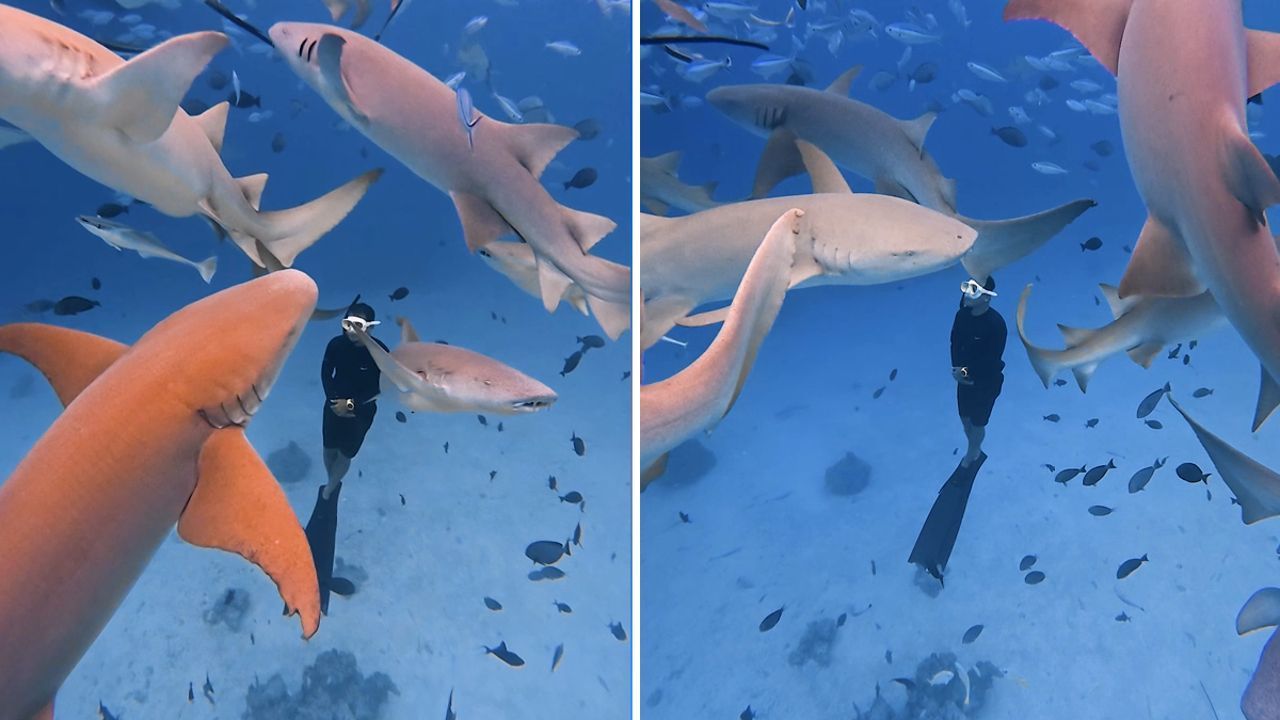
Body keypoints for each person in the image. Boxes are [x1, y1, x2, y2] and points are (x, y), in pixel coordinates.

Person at [909, 276, 1006, 586]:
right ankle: (971, 445)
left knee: (977, 423)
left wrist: (967, 373)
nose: (966, 294)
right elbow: (954, 341)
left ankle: (973, 452)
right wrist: (957, 369)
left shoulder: (996, 325)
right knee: (964, 419)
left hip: (985, 383)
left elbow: (991, 361)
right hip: (964, 380)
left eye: (973, 290)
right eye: (966, 287)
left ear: (987, 297)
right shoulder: (962, 314)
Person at [305, 297, 388, 614]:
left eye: (359, 325)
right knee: (328, 449)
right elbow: (326, 373)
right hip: (333, 406)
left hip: (361, 412)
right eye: (347, 323)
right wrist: (334, 401)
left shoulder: (379, 352)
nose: (352, 329)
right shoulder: (335, 345)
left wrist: (351, 405)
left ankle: (331, 488)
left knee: (346, 452)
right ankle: (331, 479)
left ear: (370, 328)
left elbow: (381, 387)